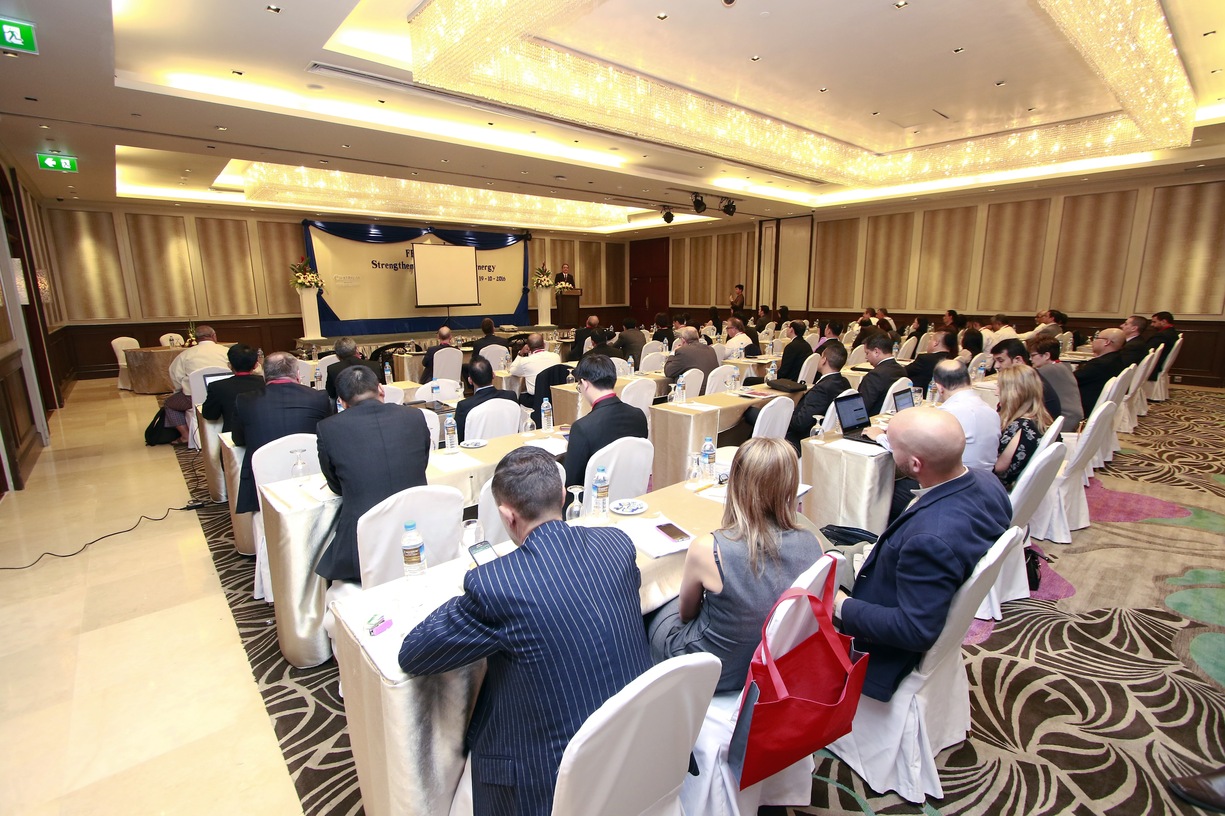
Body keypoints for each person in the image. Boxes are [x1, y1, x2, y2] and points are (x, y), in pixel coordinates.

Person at [399, 447, 652, 816]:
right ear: (562, 496)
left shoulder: (497, 585)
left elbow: (414, 653)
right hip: (638, 746)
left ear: (507, 515)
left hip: (554, 779)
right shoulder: (616, 544)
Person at [833, 407, 1012, 702]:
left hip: (882, 653)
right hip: (909, 587)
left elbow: (914, 630)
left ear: (916, 464)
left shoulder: (929, 540)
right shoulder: (988, 482)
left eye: (892, 446)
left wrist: (841, 605)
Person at [647, 438, 824, 692]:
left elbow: (686, 615)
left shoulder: (709, 548)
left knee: (654, 604)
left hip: (712, 671)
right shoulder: (814, 545)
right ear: (790, 485)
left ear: (737, 484)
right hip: (774, 662)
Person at [314, 366, 431, 584]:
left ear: (342, 402)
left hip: (364, 545)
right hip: (421, 531)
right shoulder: (415, 416)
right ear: (380, 389)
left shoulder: (328, 428)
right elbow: (421, 464)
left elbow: (336, 485)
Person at [231, 352, 333, 514]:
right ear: (297, 374)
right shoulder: (319, 397)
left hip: (264, 479)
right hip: (313, 476)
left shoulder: (245, 400)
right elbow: (328, 436)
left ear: (264, 375)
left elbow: (238, 440)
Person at [563, 354, 648, 489]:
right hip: (631, 493)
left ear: (584, 384)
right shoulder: (639, 416)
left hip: (595, 497)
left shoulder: (582, 428)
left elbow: (571, 483)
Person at [162, 324, 231, 444]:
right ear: (214, 336)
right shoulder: (227, 351)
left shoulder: (185, 355)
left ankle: (185, 435)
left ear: (196, 338)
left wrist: (180, 389)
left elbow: (176, 377)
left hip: (193, 398)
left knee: (169, 404)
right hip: (226, 395)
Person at [785, 341, 851, 452]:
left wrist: (783, 416)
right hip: (830, 435)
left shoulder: (822, 389)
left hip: (804, 439)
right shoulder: (844, 382)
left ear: (824, 360)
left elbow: (800, 423)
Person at [993, 365, 1052, 490]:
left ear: (1013, 393)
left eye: (999, 387)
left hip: (999, 488)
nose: (996, 392)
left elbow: (998, 467)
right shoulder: (1041, 418)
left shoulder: (1021, 427)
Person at [991, 338, 1062, 421]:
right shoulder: (1032, 376)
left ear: (1018, 360)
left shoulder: (1025, 383)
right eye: (995, 361)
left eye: (1000, 360)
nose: (996, 366)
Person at [200, 343, 264, 433]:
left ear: (229, 365)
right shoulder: (265, 383)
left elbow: (210, 415)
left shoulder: (217, 387)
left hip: (232, 436)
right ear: (256, 365)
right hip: (265, 434)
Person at [454, 357, 518, 443]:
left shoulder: (464, 406)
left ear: (470, 380)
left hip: (477, 450)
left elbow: (458, 439)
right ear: (493, 375)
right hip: (510, 447)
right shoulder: (510, 397)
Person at [1028, 337, 1084, 430]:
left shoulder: (1047, 370)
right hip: (1073, 418)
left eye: (1033, 355)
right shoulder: (1062, 366)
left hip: (1063, 421)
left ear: (1046, 355)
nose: (1030, 359)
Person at [1074, 328, 1126, 415]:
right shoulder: (1116, 358)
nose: (1093, 342)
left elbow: (1071, 380)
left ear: (1107, 342)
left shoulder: (1100, 364)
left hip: (1081, 405)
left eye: (1097, 338)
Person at [857, 333, 907, 416]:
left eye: (867, 353)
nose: (866, 358)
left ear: (876, 352)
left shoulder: (874, 376)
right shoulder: (901, 370)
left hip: (873, 419)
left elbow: (860, 408)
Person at [665, 326, 720, 395]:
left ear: (683, 340)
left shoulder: (683, 351)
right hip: (712, 391)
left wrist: (672, 353)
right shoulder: (711, 349)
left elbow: (668, 371)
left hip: (692, 393)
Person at [507, 333, 562, 397]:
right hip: (554, 396)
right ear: (544, 345)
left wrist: (520, 353)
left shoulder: (525, 361)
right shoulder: (556, 356)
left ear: (528, 347)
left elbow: (512, 371)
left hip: (535, 398)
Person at [1147, 312, 1179, 377]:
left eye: (1154, 322)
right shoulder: (1173, 333)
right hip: (1159, 366)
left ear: (1164, 321)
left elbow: (1148, 351)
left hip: (1153, 369)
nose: (1151, 324)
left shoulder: (1161, 336)